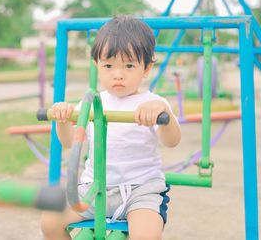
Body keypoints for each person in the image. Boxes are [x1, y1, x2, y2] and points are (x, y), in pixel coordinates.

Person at [41, 15, 181, 240]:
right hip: (95, 188)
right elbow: (68, 142)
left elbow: (172, 140)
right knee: (49, 221)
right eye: (108, 65)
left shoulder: (153, 103)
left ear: (146, 68)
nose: (118, 74)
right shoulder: (93, 102)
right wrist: (63, 120)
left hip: (141, 190)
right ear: (97, 66)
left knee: (147, 235)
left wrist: (162, 116)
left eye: (128, 65)